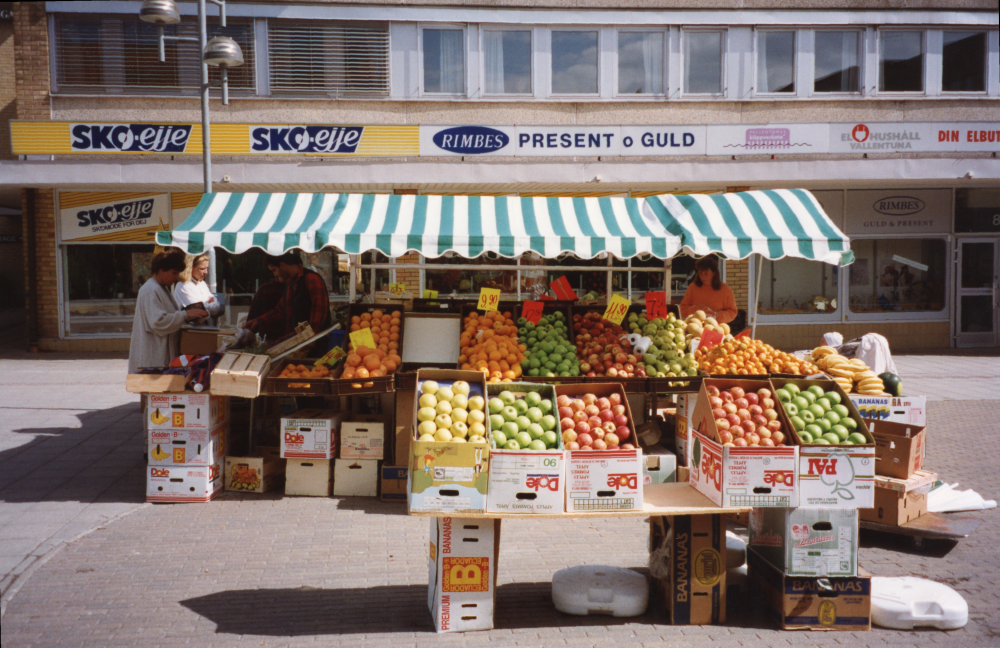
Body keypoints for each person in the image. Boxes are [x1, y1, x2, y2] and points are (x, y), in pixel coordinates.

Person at [128, 250, 209, 374]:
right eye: (174, 273)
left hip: (160, 356)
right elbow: (158, 322)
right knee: (154, 391)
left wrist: (187, 316)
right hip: (153, 358)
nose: (176, 277)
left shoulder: (161, 288)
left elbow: (169, 315)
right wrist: (185, 315)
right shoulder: (151, 290)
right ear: (162, 271)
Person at [243, 251, 333, 351]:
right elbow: (280, 310)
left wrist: (309, 338)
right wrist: (258, 321)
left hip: (316, 345)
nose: (275, 275)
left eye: (274, 270)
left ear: (282, 265)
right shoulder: (290, 283)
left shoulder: (311, 279)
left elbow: (319, 314)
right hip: (299, 344)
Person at [679, 256, 737, 325]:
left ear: (714, 273)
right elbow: (682, 310)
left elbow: (732, 313)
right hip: (696, 329)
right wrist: (695, 308)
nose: (703, 277)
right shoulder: (692, 287)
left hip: (718, 329)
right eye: (700, 273)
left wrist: (717, 315)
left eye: (706, 273)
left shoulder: (725, 290)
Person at [246, 256, 288, 342]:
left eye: (274, 270)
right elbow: (253, 316)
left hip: (286, 337)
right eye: (272, 271)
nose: (275, 274)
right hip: (268, 338)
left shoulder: (294, 288)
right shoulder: (264, 289)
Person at [173, 253, 222, 321]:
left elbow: (217, 307)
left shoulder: (202, 284)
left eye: (206, 268)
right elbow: (198, 312)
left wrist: (204, 305)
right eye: (202, 269)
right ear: (190, 268)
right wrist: (209, 303)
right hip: (188, 329)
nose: (206, 272)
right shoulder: (183, 285)